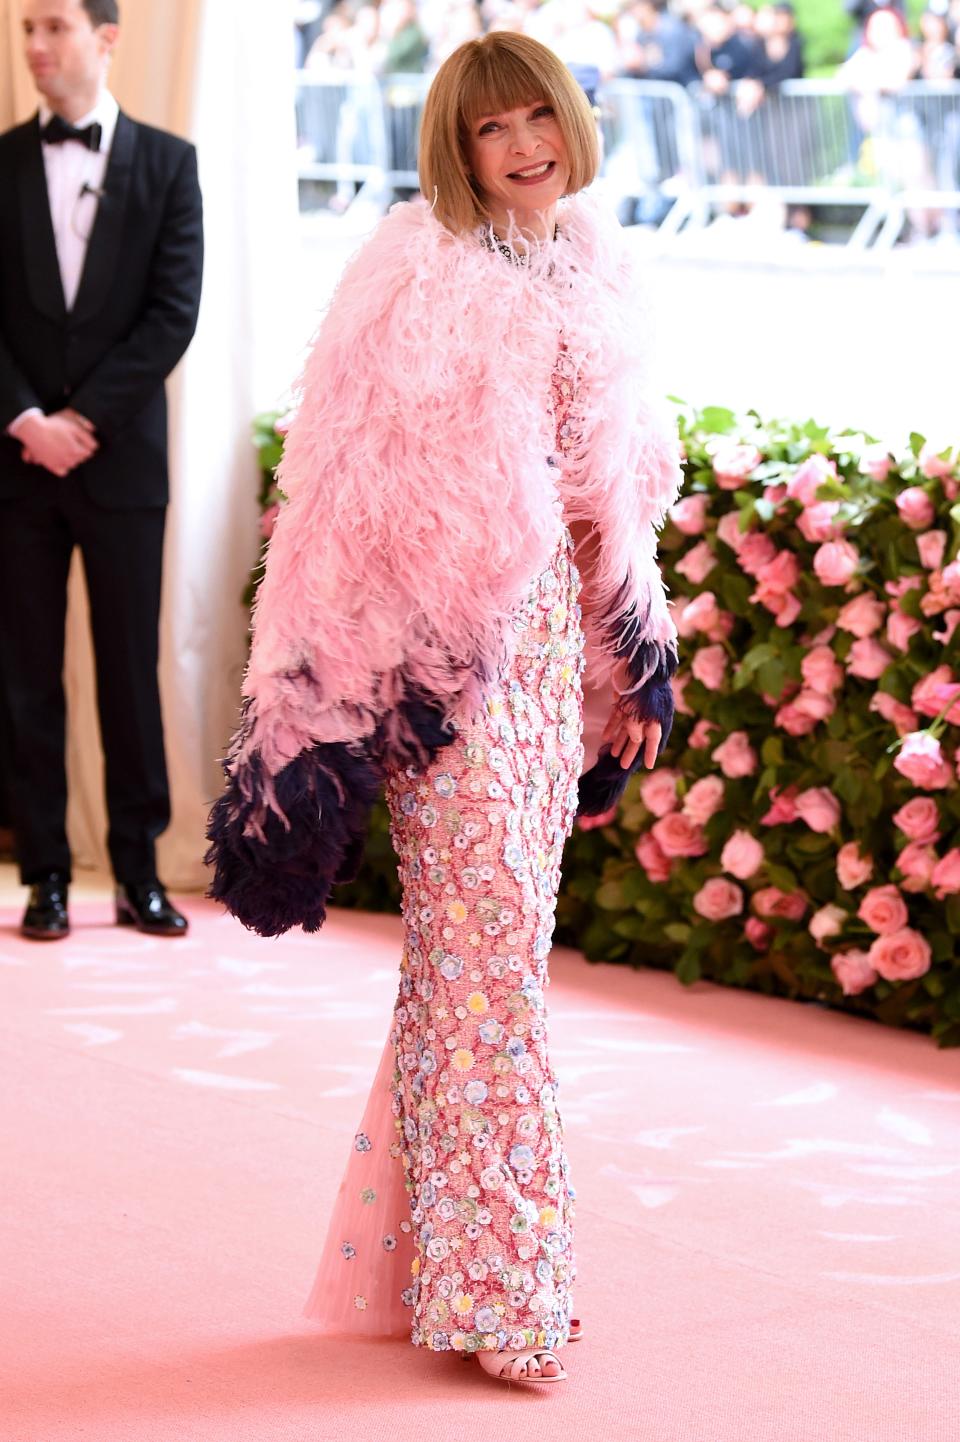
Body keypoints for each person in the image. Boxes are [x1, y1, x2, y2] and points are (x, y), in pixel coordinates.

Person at [207, 31, 680, 1386]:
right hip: (449, 676)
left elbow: (615, 494)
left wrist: (629, 659)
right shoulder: (414, 282)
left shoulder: (594, 262)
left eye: (541, 115)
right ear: (454, 149)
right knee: (487, 985)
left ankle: (442, 1272)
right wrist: (333, 708)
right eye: (493, 128)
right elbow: (347, 509)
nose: (526, 142)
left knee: (482, 972)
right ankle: (509, 1288)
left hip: (545, 673)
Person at [0, 0, 203, 940]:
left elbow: (172, 314)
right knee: (23, 673)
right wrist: (28, 420)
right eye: (26, 29)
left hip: (123, 463)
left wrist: (83, 418)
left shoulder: (170, 163)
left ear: (106, 37)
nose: (35, 47)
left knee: (129, 667)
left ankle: (137, 873)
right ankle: (42, 873)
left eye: (54, 27)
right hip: (14, 462)